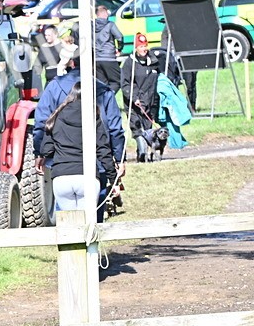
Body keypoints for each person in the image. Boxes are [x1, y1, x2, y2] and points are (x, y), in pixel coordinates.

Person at [33, 41, 126, 221]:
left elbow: (42, 122)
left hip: (62, 163)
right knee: (94, 218)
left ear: (72, 62)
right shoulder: (104, 91)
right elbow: (115, 128)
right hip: (97, 162)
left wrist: (39, 152)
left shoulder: (53, 87)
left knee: (66, 219)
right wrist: (119, 158)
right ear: (92, 64)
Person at [37, 80, 119, 213]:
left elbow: (46, 149)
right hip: (87, 176)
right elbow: (103, 151)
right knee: (86, 222)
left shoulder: (57, 115)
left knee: (69, 223)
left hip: (61, 178)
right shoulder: (93, 117)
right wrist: (114, 180)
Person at [120, 32, 161, 161]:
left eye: (145, 46)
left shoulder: (154, 62)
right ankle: (142, 154)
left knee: (148, 130)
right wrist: (133, 97)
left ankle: (145, 155)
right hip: (134, 102)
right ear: (136, 48)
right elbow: (125, 84)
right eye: (141, 46)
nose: (144, 49)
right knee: (137, 129)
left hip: (150, 101)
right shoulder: (129, 63)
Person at [92, 3, 125, 93]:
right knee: (118, 81)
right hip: (109, 57)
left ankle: (103, 99)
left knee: (102, 83)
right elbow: (120, 37)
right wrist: (119, 49)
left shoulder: (92, 26)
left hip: (96, 59)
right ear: (105, 13)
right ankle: (108, 97)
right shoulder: (110, 24)